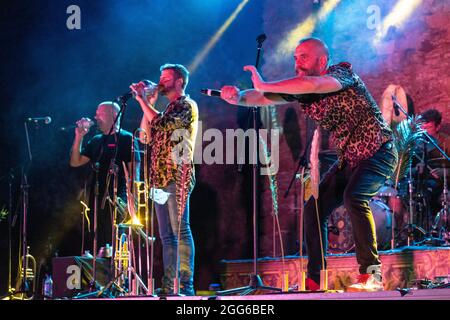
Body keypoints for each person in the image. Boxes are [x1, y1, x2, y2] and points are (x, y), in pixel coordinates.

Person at [219, 37, 398, 292]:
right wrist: (238, 97)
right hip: (350, 159)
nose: (297, 62)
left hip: (379, 152)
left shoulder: (342, 74)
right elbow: (263, 97)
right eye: (295, 57)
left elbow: (312, 83)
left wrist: (264, 83)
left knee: (353, 197)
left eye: (303, 56)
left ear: (322, 61)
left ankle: (372, 275)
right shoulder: (303, 88)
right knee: (313, 207)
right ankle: (315, 281)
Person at [131, 63, 198, 296]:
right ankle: (171, 285)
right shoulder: (166, 108)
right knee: (166, 236)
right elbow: (145, 136)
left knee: (180, 231)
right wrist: (147, 102)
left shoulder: (186, 105)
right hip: (157, 179)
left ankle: (185, 285)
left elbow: (163, 124)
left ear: (179, 81)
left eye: (166, 78)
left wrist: (142, 100)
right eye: (160, 78)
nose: (161, 82)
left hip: (176, 175)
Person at [70, 101, 139, 254]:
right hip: (96, 198)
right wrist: (79, 136)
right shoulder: (96, 140)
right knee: (98, 240)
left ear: (114, 116)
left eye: (99, 114)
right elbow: (75, 162)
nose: (96, 117)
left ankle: (118, 272)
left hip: (119, 199)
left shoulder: (127, 138)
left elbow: (135, 171)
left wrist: (132, 201)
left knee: (116, 239)